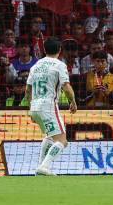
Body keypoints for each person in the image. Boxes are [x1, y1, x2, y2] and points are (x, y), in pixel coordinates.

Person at [27, 37, 78, 176]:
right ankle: (44, 166)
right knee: (62, 141)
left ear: (44, 50)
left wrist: (31, 108)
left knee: (50, 137)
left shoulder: (35, 66)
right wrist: (73, 102)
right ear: (59, 50)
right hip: (48, 105)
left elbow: (28, 90)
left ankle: (41, 167)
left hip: (35, 106)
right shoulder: (59, 65)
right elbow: (66, 87)